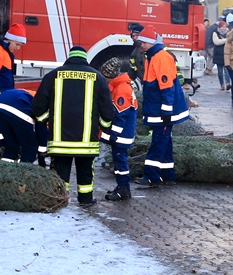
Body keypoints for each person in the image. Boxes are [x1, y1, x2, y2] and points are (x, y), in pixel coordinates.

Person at [32, 46, 116, 206]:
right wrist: (103, 126)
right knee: (85, 172)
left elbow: (37, 107)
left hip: (59, 141)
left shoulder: (52, 76)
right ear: (85, 59)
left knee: (60, 173)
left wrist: (47, 120)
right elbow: (107, 110)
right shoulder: (98, 78)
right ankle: (86, 200)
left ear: (69, 58)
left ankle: (59, 200)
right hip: (87, 142)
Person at [137, 26, 191, 187]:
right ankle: (168, 176)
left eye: (143, 42)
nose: (141, 45)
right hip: (161, 109)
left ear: (151, 42)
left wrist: (166, 110)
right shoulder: (153, 56)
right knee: (164, 142)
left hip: (163, 111)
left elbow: (166, 87)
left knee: (159, 141)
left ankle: (151, 176)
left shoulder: (160, 57)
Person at [100, 59, 138, 201]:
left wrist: (114, 134)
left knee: (121, 162)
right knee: (120, 161)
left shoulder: (121, 89)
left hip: (121, 134)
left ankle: (123, 189)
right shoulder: (121, 85)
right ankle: (122, 187)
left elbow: (121, 114)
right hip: (124, 132)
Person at [0, 88, 47, 164]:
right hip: (19, 107)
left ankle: (4, 166)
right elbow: (41, 128)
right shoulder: (45, 104)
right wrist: (41, 155)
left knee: (11, 145)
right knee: (30, 146)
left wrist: (3, 140)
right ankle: (24, 169)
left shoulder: (29, 93)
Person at [212, 20, 228, 90]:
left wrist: (223, 40)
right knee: (220, 71)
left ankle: (228, 83)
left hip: (226, 53)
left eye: (225, 26)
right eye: (222, 27)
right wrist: (226, 40)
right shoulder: (215, 32)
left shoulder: (228, 32)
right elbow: (216, 42)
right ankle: (222, 84)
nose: (224, 28)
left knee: (227, 70)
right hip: (218, 54)